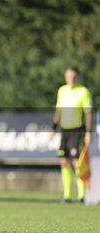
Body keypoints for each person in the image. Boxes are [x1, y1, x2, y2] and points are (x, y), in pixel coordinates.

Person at [50, 66, 93, 204]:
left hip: (77, 131)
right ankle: (67, 195)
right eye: (69, 76)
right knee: (64, 162)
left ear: (78, 77)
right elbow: (59, 111)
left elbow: (88, 113)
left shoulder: (84, 92)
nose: (71, 79)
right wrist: (53, 128)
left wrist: (88, 132)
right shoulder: (62, 91)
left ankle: (82, 195)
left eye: (74, 76)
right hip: (65, 130)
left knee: (77, 162)